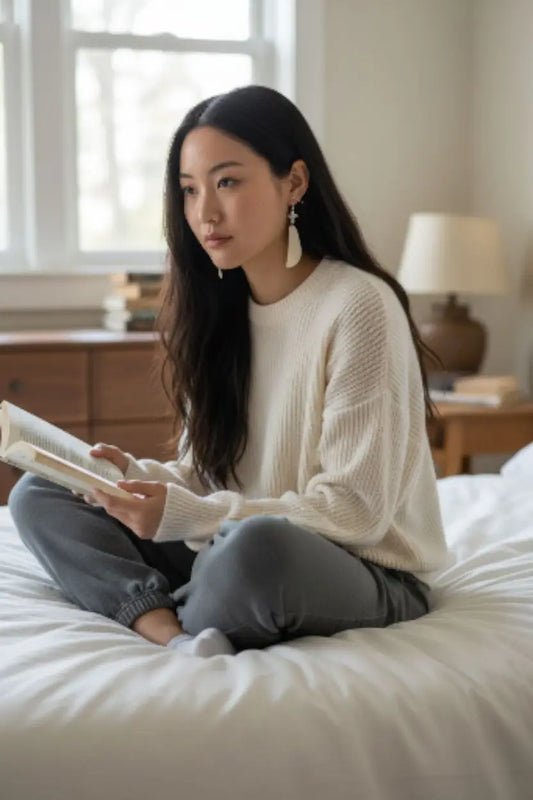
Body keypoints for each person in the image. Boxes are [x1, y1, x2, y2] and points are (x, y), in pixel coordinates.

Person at [8, 85, 447, 659]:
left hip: (360, 569)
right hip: (230, 540)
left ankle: (176, 602)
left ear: (293, 183)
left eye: (228, 182)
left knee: (257, 551)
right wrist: (131, 478)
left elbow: (355, 512)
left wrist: (185, 515)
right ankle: (168, 628)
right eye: (189, 191)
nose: (204, 213)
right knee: (43, 491)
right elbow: (207, 478)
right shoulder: (220, 312)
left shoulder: (357, 306)